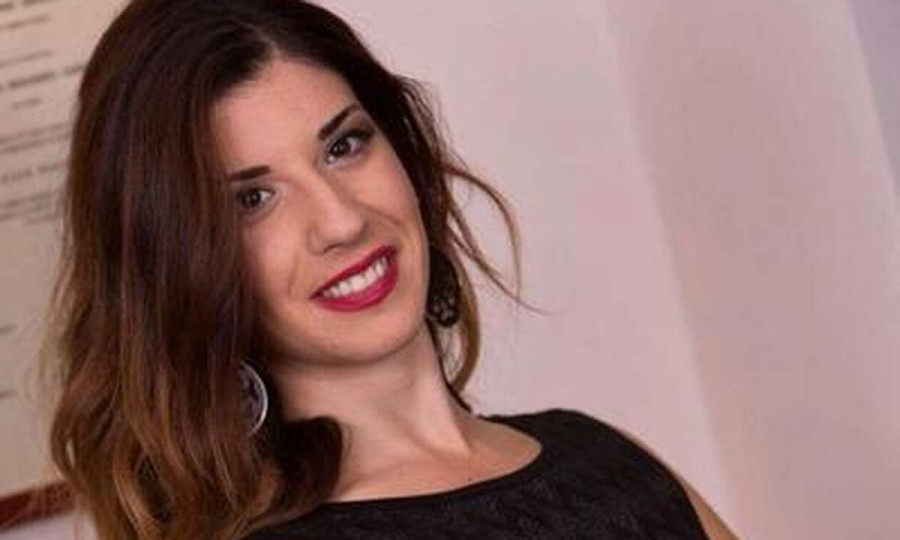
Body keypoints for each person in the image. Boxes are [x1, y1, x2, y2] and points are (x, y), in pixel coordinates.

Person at [45, 0, 737, 538]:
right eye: (252, 200)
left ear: (401, 148)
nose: (341, 221)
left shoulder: (606, 459)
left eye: (344, 146)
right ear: (178, 268)